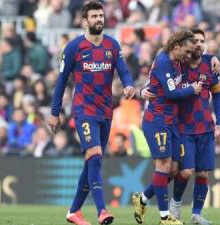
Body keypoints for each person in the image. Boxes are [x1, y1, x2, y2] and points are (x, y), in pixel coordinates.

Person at [48, 1, 135, 225]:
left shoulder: (112, 45)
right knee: (94, 157)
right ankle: (102, 211)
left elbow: (124, 71)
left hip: (106, 111)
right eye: (94, 16)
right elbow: (61, 82)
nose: (99, 19)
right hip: (84, 110)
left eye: (100, 16)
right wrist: (55, 112)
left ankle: (74, 211)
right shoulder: (74, 47)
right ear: (85, 21)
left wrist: (128, 85)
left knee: (91, 163)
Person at [132, 30, 202, 225]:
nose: (189, 56)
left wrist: (214, 60)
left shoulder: (178, 62)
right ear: (177, 45)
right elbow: (171, 93)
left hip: (172, 122)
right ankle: (165, 217)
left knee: (173, 170)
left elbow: (154, 83)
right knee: (163, 166)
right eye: (186, 52)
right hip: (157, 121)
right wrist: (192, 89)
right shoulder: (163, 61)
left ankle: (143, 199)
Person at [168, 28, 220, 225]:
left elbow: (217, 95)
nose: (199, 44)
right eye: (195, 41)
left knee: (203, 173)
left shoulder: (210, 65)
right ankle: (175, 204)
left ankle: (197, 215)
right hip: (184, 128)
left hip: (206, 128)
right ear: (189, 45)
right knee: (185, 171)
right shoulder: (180, 65)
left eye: (202, 41)